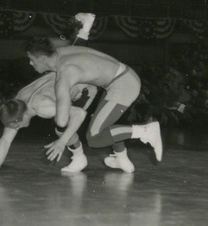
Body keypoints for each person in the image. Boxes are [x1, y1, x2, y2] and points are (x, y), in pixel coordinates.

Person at [24, 37, 163, 173]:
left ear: (42, 59)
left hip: (123, 85)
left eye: (32, 59)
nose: (30, 63)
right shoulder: (62, 52)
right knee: (102, 122)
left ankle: (145, 131)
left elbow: (62, 121)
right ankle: (121, 157)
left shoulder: (64, 75)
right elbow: (81, 42)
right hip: (122, 77)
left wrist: (62, 142)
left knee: (94, 138)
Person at [0, 73, 97, 179]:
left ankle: (79, 157)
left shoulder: (42, 106)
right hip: (64, 82)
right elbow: (5, 140)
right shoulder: (17, 104)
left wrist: (62, 142)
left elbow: (80, 114)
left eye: (17, 126)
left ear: (23, 117)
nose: (17, 129)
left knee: (61, 127)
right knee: (61, 120)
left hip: (84, 87)